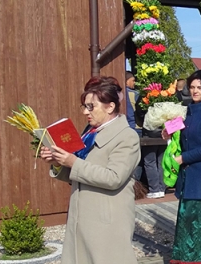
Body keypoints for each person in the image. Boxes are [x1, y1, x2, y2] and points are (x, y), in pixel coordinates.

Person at [40, 76, 141, 264]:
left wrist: (73, 162)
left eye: (91, 106)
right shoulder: (89, 133)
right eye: (84, 106)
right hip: (82, 216)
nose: (86, 112)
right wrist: (57, 162)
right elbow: (78, 175)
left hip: (107, 220)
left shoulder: (127, 137)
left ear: (110, 107)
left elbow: (114, 178)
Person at [165, 70, 201, 263]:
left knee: (200, 228)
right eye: (192, 87)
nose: (195, 91)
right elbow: (177, 132)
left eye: (200, 87)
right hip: (188, 177)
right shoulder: (186, 109)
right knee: (187, 224)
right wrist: (166, 133)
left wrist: (183, 158)